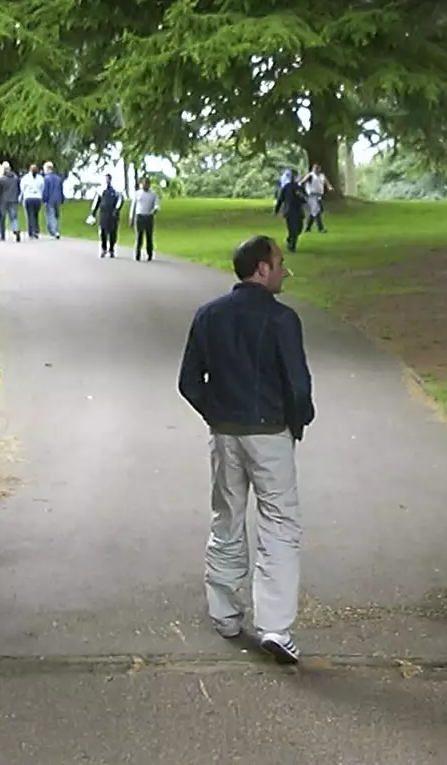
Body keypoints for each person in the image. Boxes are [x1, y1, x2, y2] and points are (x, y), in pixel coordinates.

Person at [178, 235, 314, 665]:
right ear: (261, 268)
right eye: (279, 263)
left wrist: (215, 412)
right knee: (278, 523)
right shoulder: (282, 319)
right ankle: (274, 624)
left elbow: (188, 382)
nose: (283, 270)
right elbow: (297, 385)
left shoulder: (208, 315)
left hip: (224, 433)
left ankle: (225, 612)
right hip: (269, 433)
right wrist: (297, 421)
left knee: (227, 516)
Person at [89, 174, 124, 257]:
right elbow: (96, 202)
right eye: (106, 179)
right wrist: (93, 213)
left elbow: (120, 200)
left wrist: (116, 209)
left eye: (108, 179)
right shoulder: (101, 190)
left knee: (113, 232)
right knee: (103, 232)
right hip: (103, 213)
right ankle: (103, 249)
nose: (107, 181)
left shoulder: (116, 191)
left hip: (113, 214)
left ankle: (111, 249)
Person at [275, 171, 308, 252]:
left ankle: (290, 239)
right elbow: (280, 199)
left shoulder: (300, 188)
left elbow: (305, 199)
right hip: (289, 211)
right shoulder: (286, 187)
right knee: (293, 229)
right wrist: (276, 209)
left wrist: (301, 196)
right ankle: (292, 246)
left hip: (298, 211)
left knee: (299, 229)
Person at [0, 161, 21, 242]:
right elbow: (18, 189)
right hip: (13, 200)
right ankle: (16, 229)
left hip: (3, 201)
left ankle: (2, 236)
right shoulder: (15, 179)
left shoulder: (0, 180)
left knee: (2, 219)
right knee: (13, 217)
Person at [130, 176, 159, 261]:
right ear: (141, 184)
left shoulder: (153, 194)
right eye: (144, 183)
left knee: (149, 237)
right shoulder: (137, 193)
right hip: (139, 216)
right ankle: (137, 254)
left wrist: (155, 209)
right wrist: (131, 217)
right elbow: (133, 206)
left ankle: (149, 254)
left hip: (149, 217)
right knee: (139, 236)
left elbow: (156, 204)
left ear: (149, 185)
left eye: (147, 184)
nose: (145, 185)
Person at [21, 163, 46, 239]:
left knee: (29, 215)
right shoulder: (40, 178)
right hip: (37, 198)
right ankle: (36, 230)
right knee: (35, 215)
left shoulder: (25, 178)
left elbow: (22, 188)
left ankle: (31, 231)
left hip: (28, 197)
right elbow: (42, 187)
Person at [42, 161, 66, 239]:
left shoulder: (46, 178)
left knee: (50, 216)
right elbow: (61, 189)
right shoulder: (58, 178)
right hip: (58, 198)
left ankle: (53, 232)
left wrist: (44, 199)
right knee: (56, 216)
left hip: (50, 199)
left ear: (47, 169)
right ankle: (56, 230)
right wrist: (62, 198)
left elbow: (46, 190)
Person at [301, 165, 328, 233]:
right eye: (316, 169)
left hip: (318, 196)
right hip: (311, 196)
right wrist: (304, 193)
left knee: (317, 211)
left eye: (318, 169)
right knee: (317, 211)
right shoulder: (310, 176)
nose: (317, 171)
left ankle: (307, 227)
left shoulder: (320, 176)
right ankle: (320, 228)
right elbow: (302, 182)